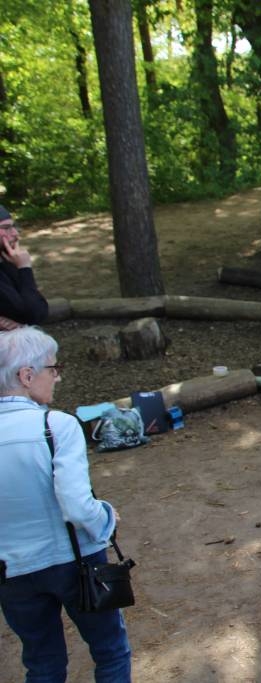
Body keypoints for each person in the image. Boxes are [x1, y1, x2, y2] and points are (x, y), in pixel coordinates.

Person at [0, 326, 131, 681]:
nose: (56, 379)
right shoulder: (56, 425)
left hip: (11, 571)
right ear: (27, 375)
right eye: (52, 370)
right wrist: (105, 515)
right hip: (75, 563)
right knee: (111, 651)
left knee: (42, 663)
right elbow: (75, 506)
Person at [0, 204, 49, 329]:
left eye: (14, 227)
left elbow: (39, 312)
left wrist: (22, 269)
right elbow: (32, 314)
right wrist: (24, 268)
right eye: (6, 228)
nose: (15, 234)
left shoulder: (6, 261)